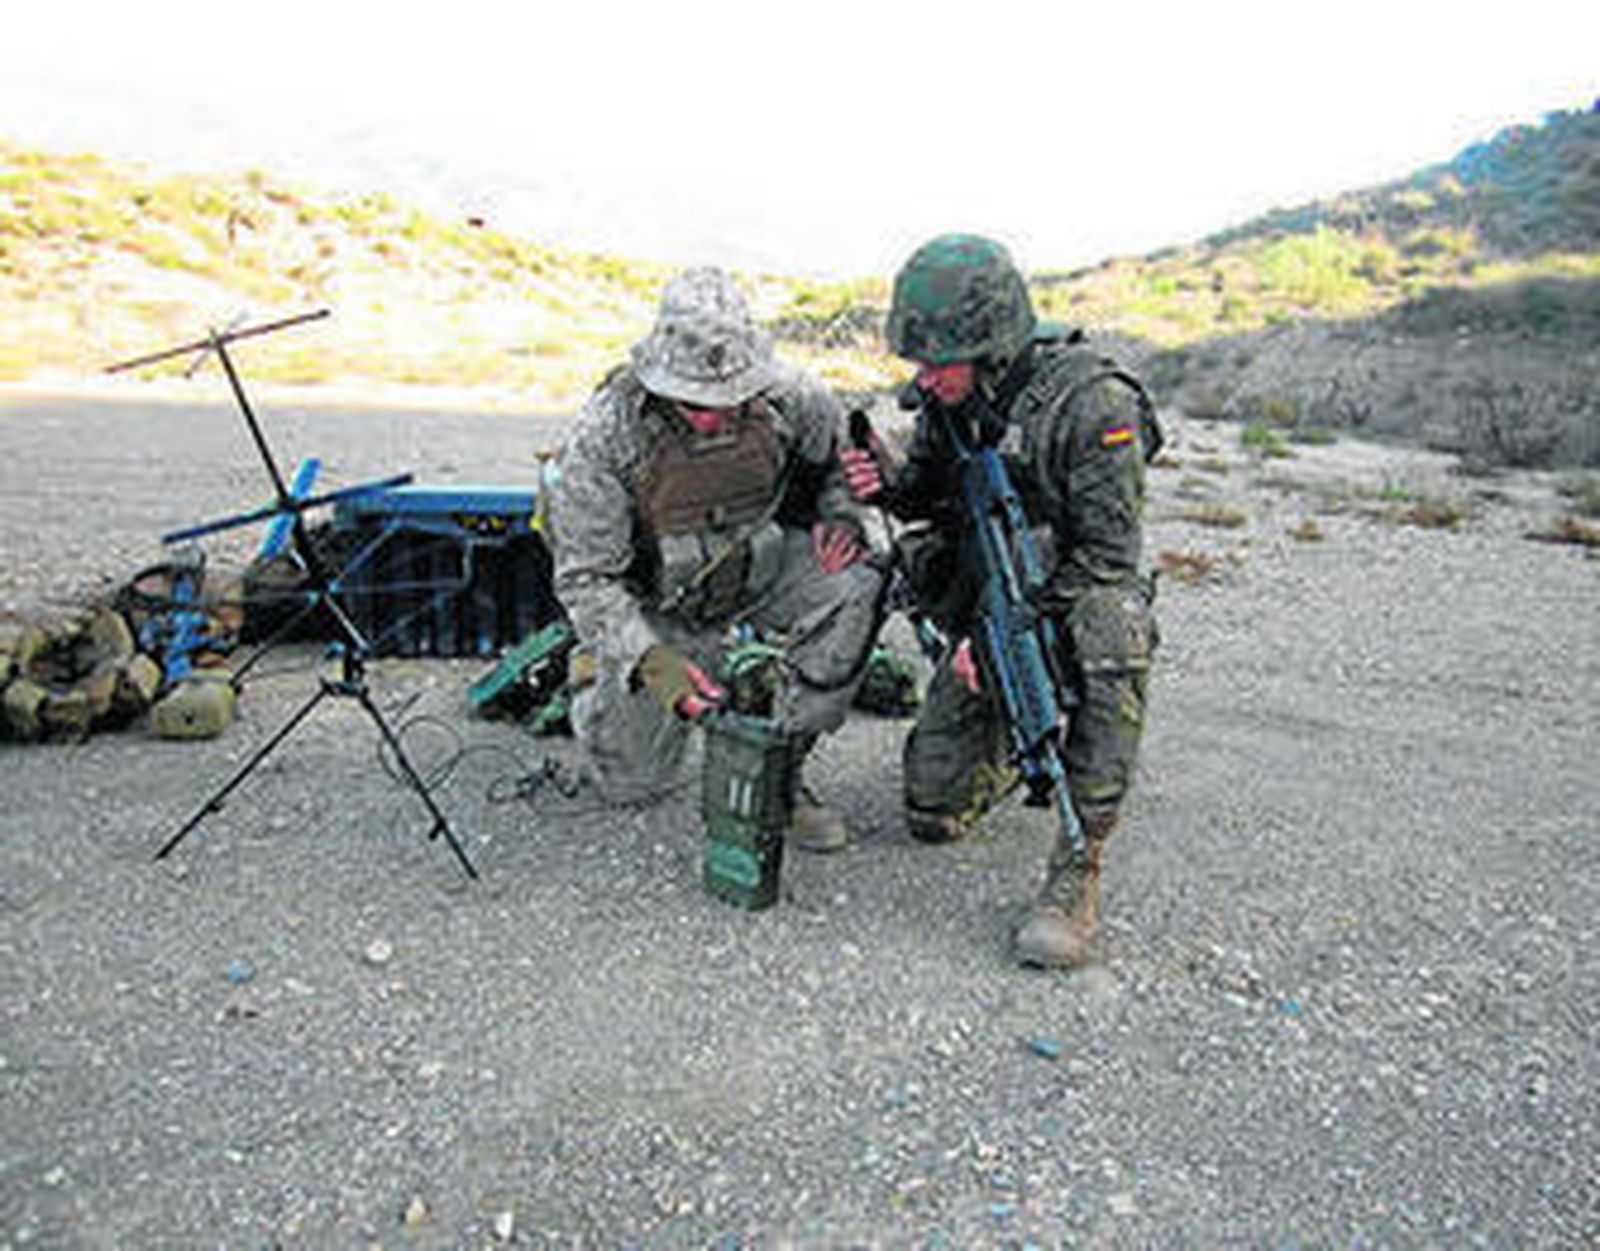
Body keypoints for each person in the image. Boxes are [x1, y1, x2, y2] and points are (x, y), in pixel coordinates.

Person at [841, 234, 1162, 966]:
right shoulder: (950, 398)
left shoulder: (1092, 403)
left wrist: (1000, 642)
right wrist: (885, 481)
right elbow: (926, 490)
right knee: (932, 811)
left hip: (1066, 603)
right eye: (917, 361)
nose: (924, 377)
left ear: (991, 343)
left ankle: (1078, 866)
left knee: (1114, 625)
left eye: (939, 360)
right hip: (985, 600)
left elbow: (1107, 560)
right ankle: (1014, 746)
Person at [547, 266, 884, 851]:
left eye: (730, 399)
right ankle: (592, 673)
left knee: (857, 581)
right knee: (631, 784)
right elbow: (586, 578)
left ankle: (782, 762)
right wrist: (652, 664)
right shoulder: (608, 431)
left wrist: (842, 515)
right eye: (697, 402)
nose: (714, 416)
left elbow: (842, 464)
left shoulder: (790, 396)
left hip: (760, 568)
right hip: (660, 603)